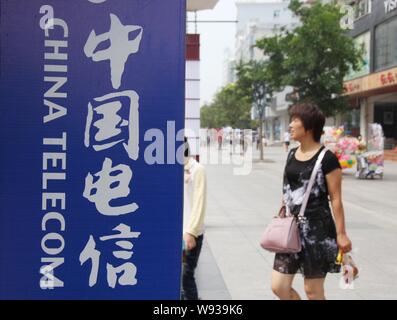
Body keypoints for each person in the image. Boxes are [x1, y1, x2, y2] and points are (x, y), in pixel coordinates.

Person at [271, 103, 352, 300]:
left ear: (309, 127)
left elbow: (336, 199)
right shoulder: (291, 153)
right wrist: (281, 213)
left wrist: (341, 234)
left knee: (312, 292)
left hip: (317, 231)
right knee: (278, 286)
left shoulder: (328, 159)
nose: (290, 125)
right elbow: (288, 188)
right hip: (291, 229)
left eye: (295, 121)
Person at [182, 138, 207, 300]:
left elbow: (200, 202)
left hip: (190, 233)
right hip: (173, 231)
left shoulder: (197, 169)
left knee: (186, 277)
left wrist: (191, 232)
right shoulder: (167, 168)